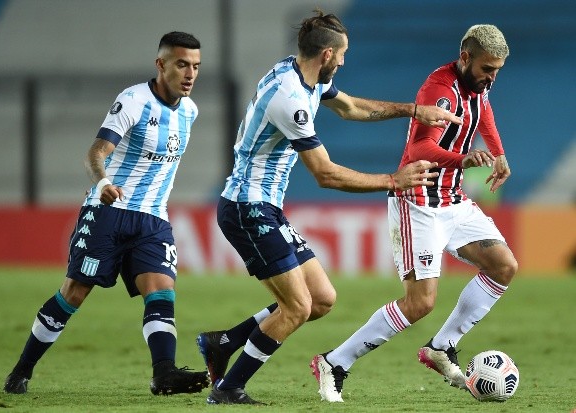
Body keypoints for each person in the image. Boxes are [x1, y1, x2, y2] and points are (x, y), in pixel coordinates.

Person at [195, 9, 462, 405]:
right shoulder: (290, 100)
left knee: (321, 299)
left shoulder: (304, 76)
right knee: (297, 307)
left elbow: (352, 107)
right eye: (342, 54)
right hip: (247, 207)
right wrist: (393, 180)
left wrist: (414, 110)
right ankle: (229, 389)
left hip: (266, 207)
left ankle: (225, 342)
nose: (343, 61)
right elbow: (326, 174)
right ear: (326, 54)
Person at [310, 24, 518, 402]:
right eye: (488, 69)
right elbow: (420, 150)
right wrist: (463, 158)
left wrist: (498, 152)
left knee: (503, 266)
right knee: (420, 303)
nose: (492, 77)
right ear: (466, 57)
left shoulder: (478, 84)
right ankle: (335, 362)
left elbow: (483, 109)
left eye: (498, 71)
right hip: (418, 202)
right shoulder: (439, 91)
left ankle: (442, 346)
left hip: (452, 199)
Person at [3, 31, 210, 396]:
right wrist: (103, 185)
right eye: (181, 64)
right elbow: (96, 152)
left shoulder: (190, 112)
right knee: (74, 294)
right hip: (108, 212)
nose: (190, 73)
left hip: (152, 219)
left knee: (161, 292)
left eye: (195, 65)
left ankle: (164, 374)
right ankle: (21, 370)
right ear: (161, 65)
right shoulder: (133, 100)